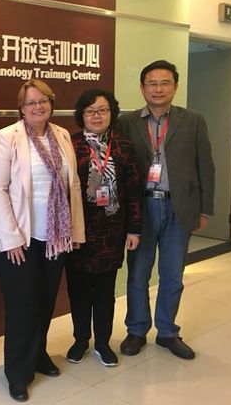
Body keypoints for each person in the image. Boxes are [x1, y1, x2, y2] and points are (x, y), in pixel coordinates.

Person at [0, 79, 85, 402]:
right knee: (22, 306)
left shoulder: (62, 135)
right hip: (19, 238)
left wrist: (74, 231)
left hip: (54, 236)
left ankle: (38, 355)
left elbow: (72, 186)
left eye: (43, 101)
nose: (37, 107)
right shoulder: (8, 137)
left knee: (45, 301)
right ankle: (17, 373)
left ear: (51, 104)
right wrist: (11, 237)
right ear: (21, 108)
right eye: (30, 102)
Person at [117, 59, 215, 360]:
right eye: (152, 83)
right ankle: (136, 330)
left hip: (179, 208)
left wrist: (205, 209)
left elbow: (206, 166)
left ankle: (168, 331)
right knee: (138, 274)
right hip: (141, 209)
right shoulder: (126, 121)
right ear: (142, 88)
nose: (158, 89)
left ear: (175, 86)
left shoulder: (193, 120)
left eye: (164, 83)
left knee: (172, 275)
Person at [65, 89, 143, 368]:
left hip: (112, 232)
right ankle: (80, 339)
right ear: (81, 115)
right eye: (90, 111)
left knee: (105, 291)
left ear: (112, 113)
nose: (96, 116)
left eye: (102, 110)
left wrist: (134, 229)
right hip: (78, 232)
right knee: (78, 289)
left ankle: (102, 342)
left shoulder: (123, 146)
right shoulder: (70, 145)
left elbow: (133, 190)